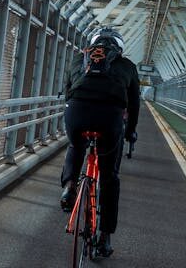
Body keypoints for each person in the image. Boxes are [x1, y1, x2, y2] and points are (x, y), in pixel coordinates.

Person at [59, 26, 140, 256]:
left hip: (76, 113)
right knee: (110, 178)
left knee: (76, 145)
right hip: (109, 119)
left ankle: (70, 186)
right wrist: (130, 131)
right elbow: (134, 105)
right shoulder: (127, 66)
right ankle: (104, 237)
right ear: (119, 48)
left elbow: (68, 92)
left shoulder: (79, 58)